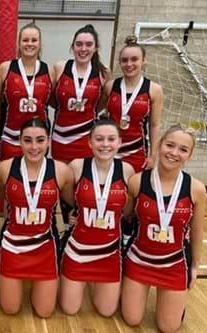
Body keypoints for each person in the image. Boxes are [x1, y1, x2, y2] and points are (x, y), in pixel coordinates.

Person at [121, 124, 206, 333]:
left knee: (168, 327)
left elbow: (197, 231)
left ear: (190, 155)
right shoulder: (137, 181)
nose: (174, 153)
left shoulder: (196, 189)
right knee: (131, 319)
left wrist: (194, 267)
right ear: (159, 145)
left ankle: (177, 307)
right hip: (139, 259)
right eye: (170, 145)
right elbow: (125, 217)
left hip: (174, 264)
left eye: (183, 149)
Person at [0, 118, 74, 318]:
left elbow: (73, 202)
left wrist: (74, 217)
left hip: (45, 246)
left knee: (45, 312)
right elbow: (0, 200)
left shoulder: (62, 171)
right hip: (13, 245)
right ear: (19, 141)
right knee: (10, 309)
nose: (34, 147)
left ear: (48, 141)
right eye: (27, 140)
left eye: (40, 140)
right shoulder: (5, 168)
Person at [59, 119, 134, 316]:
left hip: (109, 253)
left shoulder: (127, 170)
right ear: (90, 142)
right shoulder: (77, 166)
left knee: (107, 311)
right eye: (99, 139)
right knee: (69, 309)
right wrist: (76, 214)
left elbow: (128, 210)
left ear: (119, 142)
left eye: (111, 139)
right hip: (78, 250)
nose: (105, 144)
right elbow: (67, 196)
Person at [102, 35, 164, 173]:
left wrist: (153, 156)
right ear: (120, 63)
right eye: (124, 60)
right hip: (109, 150)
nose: (129, 64)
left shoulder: (154, 90)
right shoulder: (110, 86)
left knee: (133, 190)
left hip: (137, 152)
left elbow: (154, 125)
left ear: (143, 61)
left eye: (134, 59)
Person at [52, 24, 111, 163]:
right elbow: (50, 98)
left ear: (96, 48)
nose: (83, 49)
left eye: (89, 44)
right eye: (79, 44)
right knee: (61, 180)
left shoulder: (103, 72)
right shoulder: (60, 67)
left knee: (84, 181)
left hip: (87, 139)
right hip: (60, 138)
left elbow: (103, 101)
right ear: (72, 47)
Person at [0, 22, 55, 160]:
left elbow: (51, 101)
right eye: (25, 40)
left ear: (40, 44)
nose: (30, 44)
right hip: (10, 138)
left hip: (38, 141)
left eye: (34, 40)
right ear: (19, 43)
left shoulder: (49, 71)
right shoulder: (5, 68)